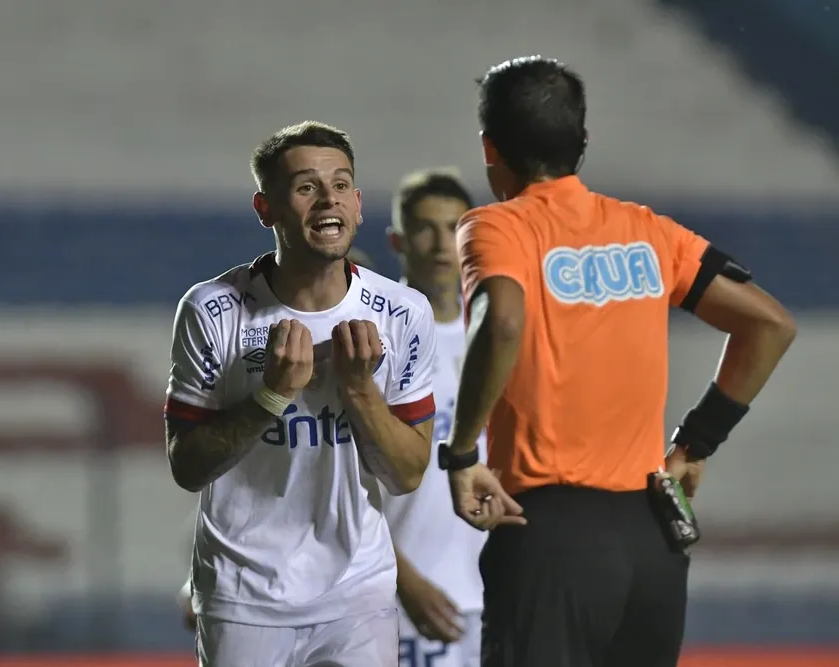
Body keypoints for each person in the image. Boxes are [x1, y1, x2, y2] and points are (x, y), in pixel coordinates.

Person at [441, 56, 797, 667]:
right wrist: (697, 442)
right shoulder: (648, 231)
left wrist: (462, 451)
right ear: (583, 141)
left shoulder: (497, 227)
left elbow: (501, 322)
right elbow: (769, 324)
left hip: (549, 532)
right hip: (651, 537)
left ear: (488, 148)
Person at [164, 121, 454, 667]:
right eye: (306, 187)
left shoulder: (402, 314)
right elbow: (187, 467)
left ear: (360, 204)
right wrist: (271, 396)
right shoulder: (213, 310)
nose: (328, 200)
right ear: (265, 208)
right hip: (244, 594)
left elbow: (407, 473)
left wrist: (359, 390)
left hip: (358, 591)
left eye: (341, 185)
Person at [383, 169, 485, 667]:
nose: (444, 244)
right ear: (398, 241)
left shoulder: (497, 335)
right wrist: (405, 580)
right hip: (408, 600)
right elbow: (341, 484)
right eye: (426, 228)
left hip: (496, 594)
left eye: (457, 227)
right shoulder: (373, 342)